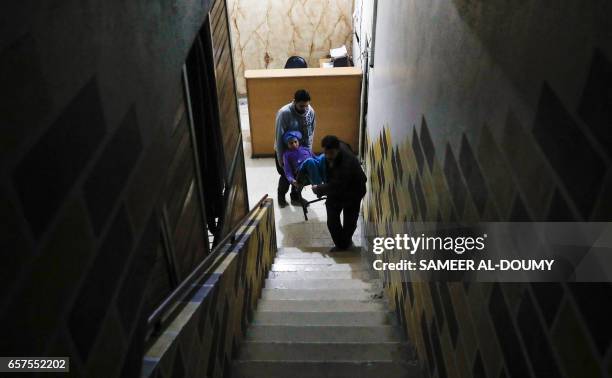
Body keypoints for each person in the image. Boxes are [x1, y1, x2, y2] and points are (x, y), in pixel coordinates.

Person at [312, 135, 366, 251]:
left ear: (337, 150)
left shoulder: (346, 164)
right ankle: (343, 243)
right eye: (325, 153)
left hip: (354, 190)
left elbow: (336, 185)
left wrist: (319, 189)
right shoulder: (341, 144)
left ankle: (342, 246)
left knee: (349, 220)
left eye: (331, 153)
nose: (327, 156)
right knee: (332, 217)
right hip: (341, 186)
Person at [274, 89, 316, 207]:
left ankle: (296, 197)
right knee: (286, 175)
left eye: (306, 105)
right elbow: (278, 138)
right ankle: (281, 197)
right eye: (301, 106)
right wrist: (281, 158)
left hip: (301, 151)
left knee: (300, 175)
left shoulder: (310, 112)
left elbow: (310, 133)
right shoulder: (284, 113)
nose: (304, 109)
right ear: (294, 102)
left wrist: (308, 154)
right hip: (285, 151)